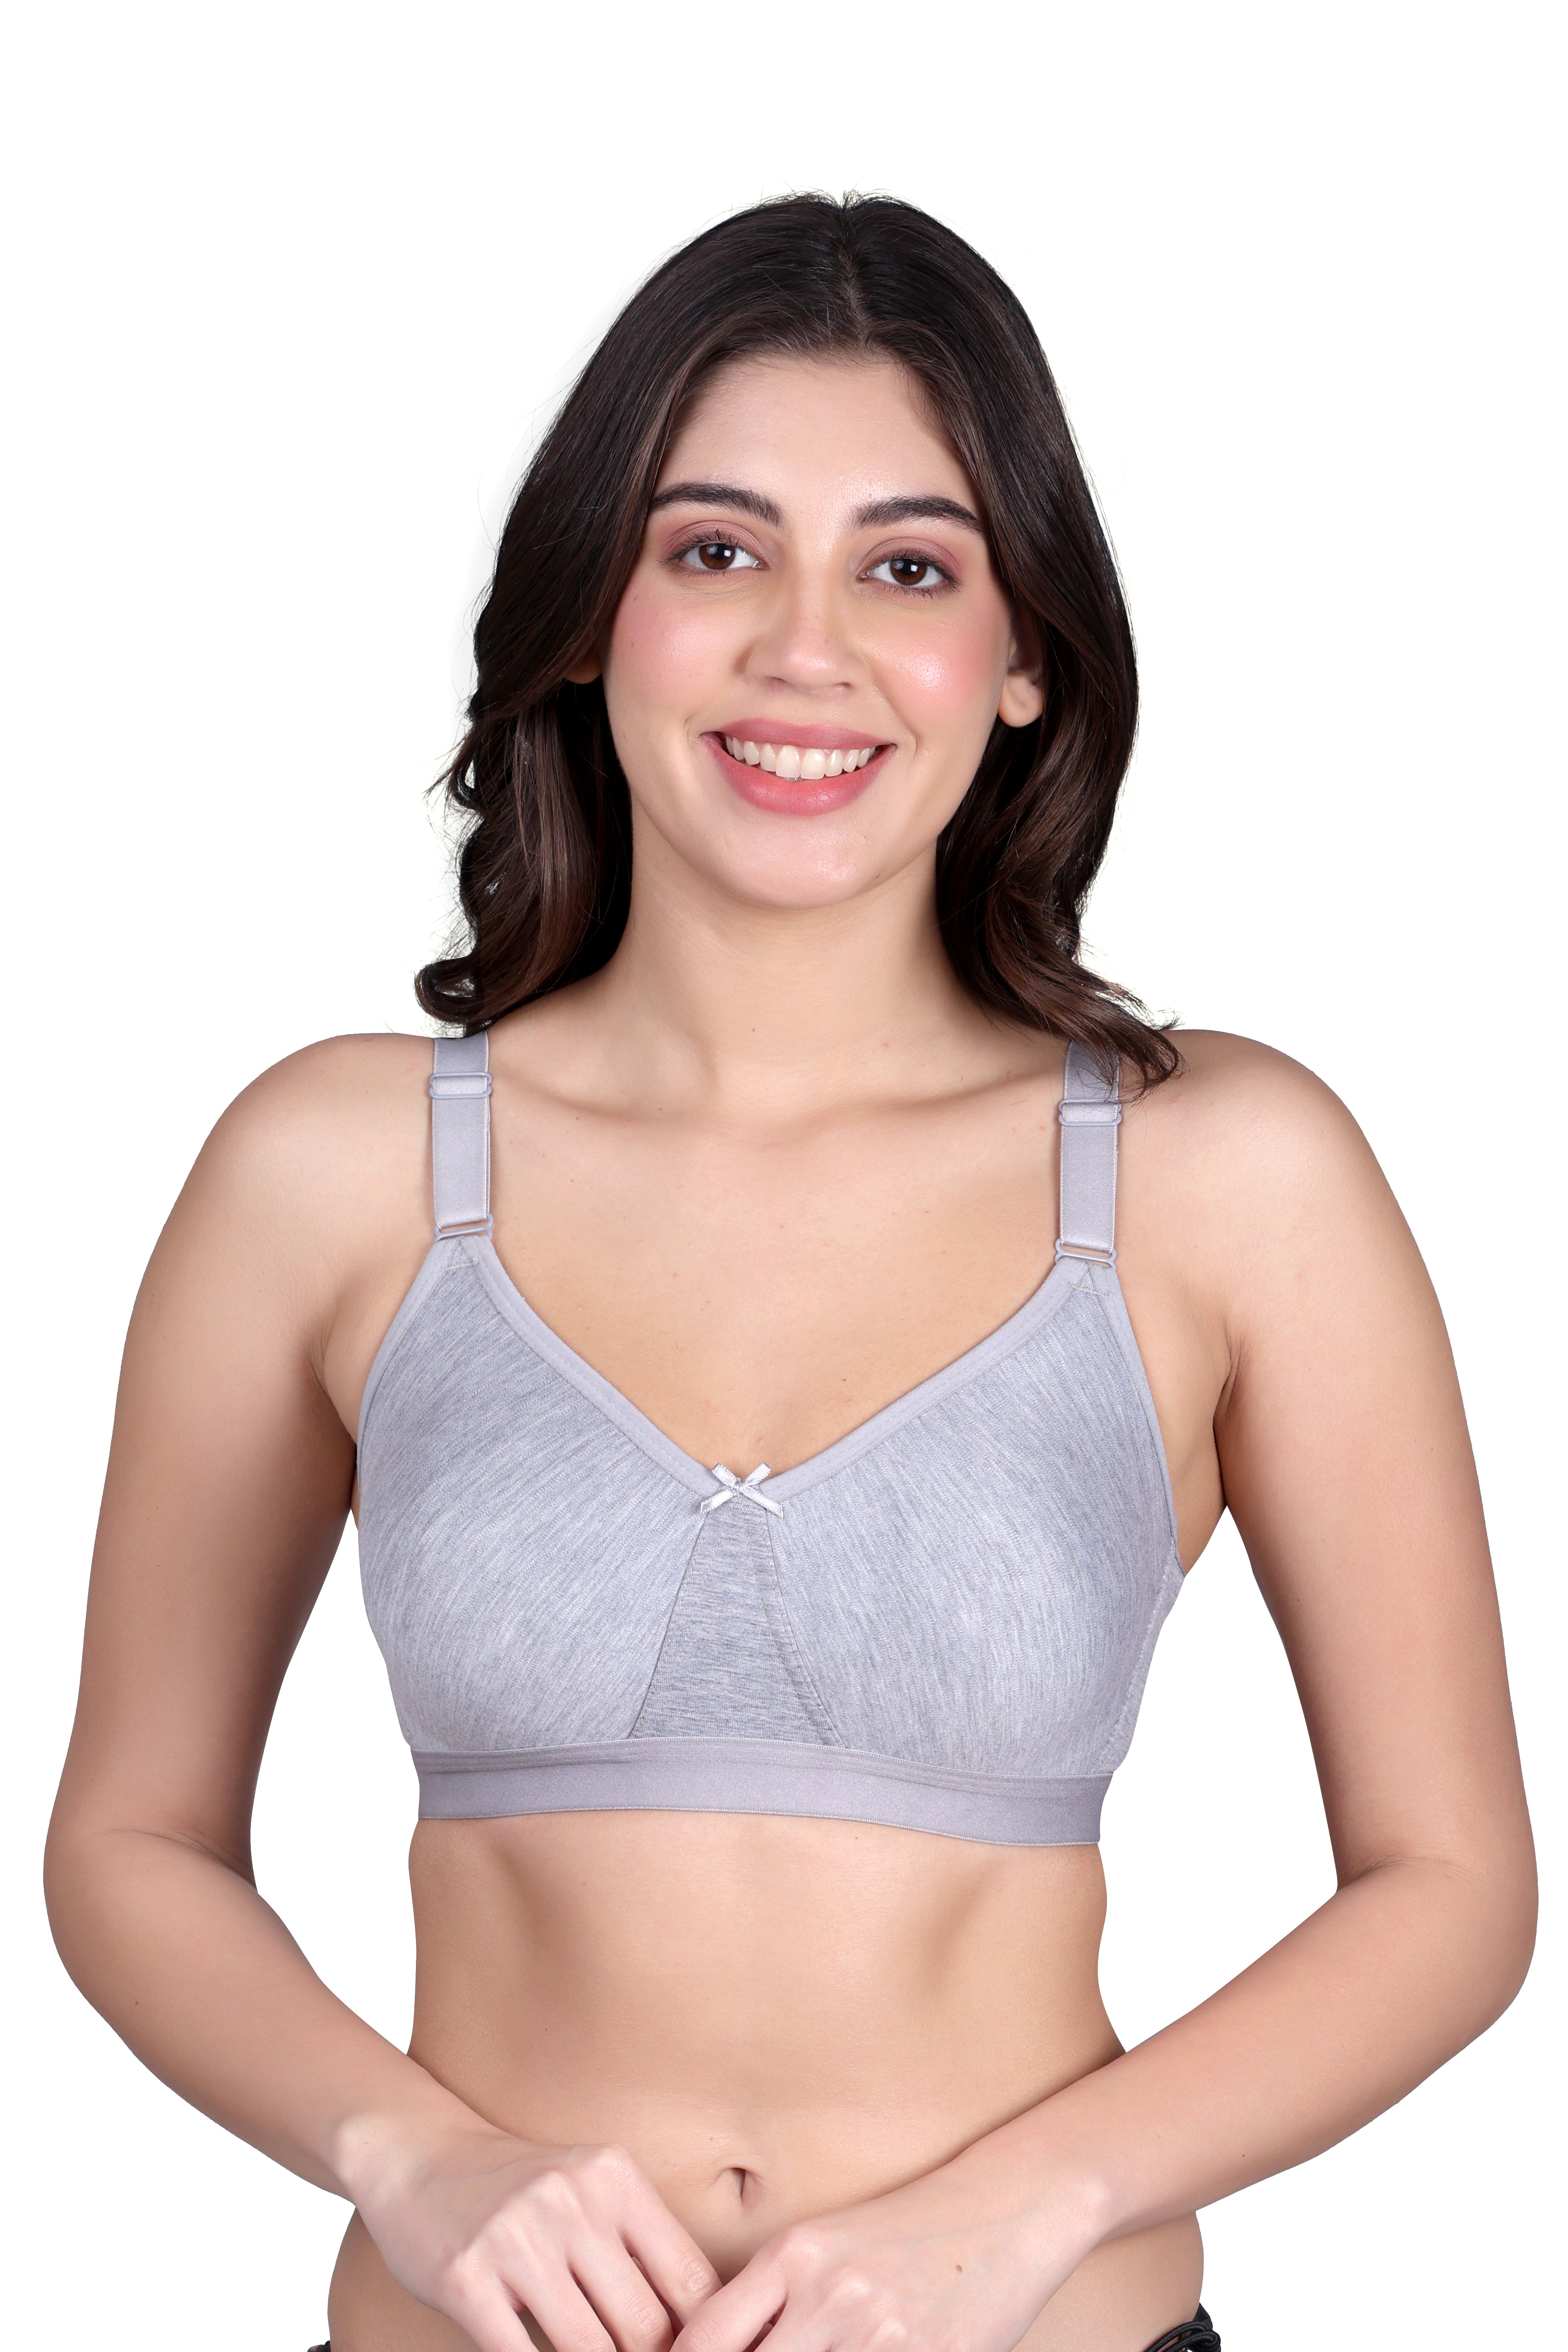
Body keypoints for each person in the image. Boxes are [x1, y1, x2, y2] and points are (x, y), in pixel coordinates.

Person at [45, 193, 1535, 2352]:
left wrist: (1019, 2212)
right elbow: (131, 1838)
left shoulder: (1225, 1178)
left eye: (909, 569)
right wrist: (413, 2155)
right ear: (592, 616)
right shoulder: (333, 1170)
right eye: (715, 551)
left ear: (1025, 657)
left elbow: (1454, 1888)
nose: (803, 649)